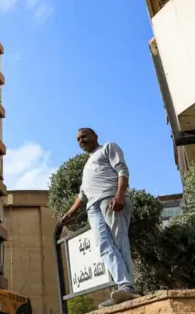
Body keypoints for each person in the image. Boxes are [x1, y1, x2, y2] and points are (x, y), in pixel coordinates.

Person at [60, 128, 141, 308]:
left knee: (119, 241)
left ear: (95, 136)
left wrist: (120, 195)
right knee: (103, 245)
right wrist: (69, 214)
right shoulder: (87, 164)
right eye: (78, 139)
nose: (81, 140)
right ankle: (123, 285)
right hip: (93, 207)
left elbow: (122, 170)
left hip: (111, 198)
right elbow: (82, 194)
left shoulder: (108, 148)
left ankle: (128, 287)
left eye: (84, 136)